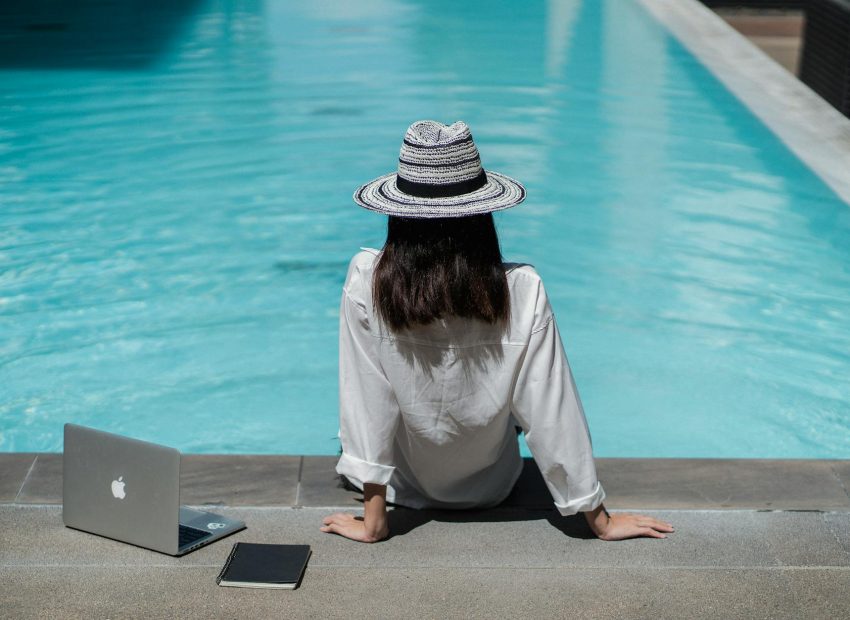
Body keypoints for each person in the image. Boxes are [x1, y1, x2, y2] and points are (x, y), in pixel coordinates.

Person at [321, 120, 673, 543]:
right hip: (491, 487)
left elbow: (366, 401)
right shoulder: (522, 289)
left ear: (399, 215)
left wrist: (374, 523)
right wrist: (598, 519)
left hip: (404, 488)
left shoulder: (367, 280)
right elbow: (551, 409)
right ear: (483, 215)